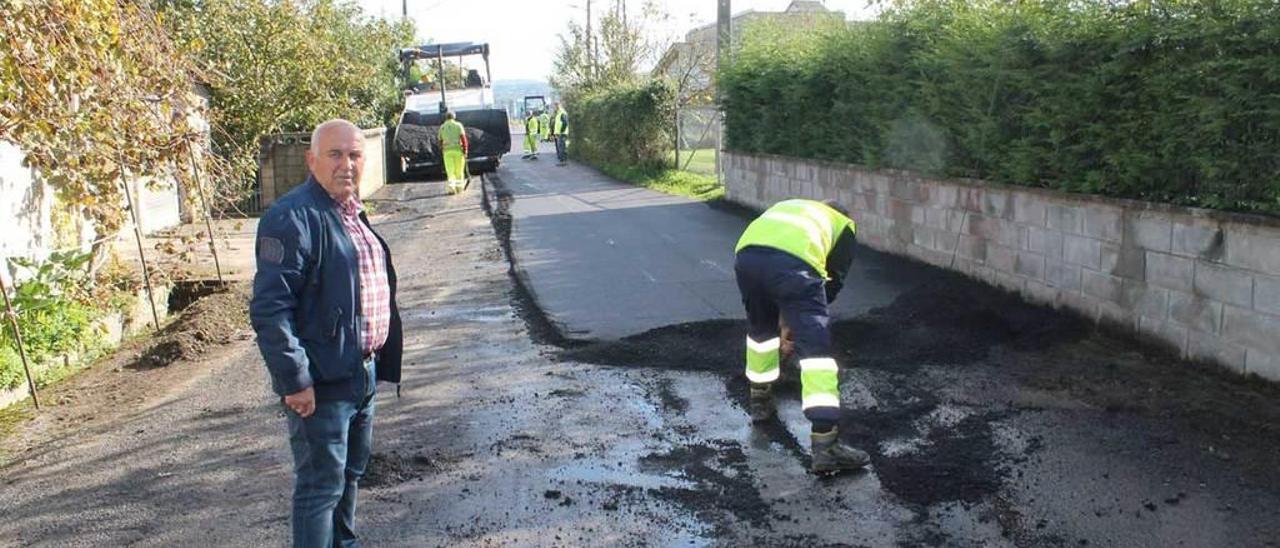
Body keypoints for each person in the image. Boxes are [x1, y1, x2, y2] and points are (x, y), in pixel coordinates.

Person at [250, 119, 404, 547]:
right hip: (321, 382)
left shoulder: (352, 212)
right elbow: (270, 308)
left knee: (350, 476)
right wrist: (294, 379)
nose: (347, 164)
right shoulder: (291, 218)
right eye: (335, 154)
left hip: (362, 374)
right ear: (311, 159)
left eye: (354, 155)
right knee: (320, 488)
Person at [733, 198, 870, 475]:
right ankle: (826, 446)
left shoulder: (794, 207)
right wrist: (800, 325)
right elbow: (832, 281)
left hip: (746, 259)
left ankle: (760, 402)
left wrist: (784, 321)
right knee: (816, 355)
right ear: (842, 214)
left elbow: (774, 261)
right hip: (792, 268)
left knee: (761, 334)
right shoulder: (843, 226)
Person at [438, 111, 469, 193]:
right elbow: (463, 139)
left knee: (450, 171)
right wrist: (465, 150)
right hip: (458, 151)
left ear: (446, 117)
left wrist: (442, 149)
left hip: (447, 152)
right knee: (459, 171)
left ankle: (452, 188)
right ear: (454, 117)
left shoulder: (442, 127)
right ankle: (459, 188)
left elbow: (440, 141)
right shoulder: (458, 125)